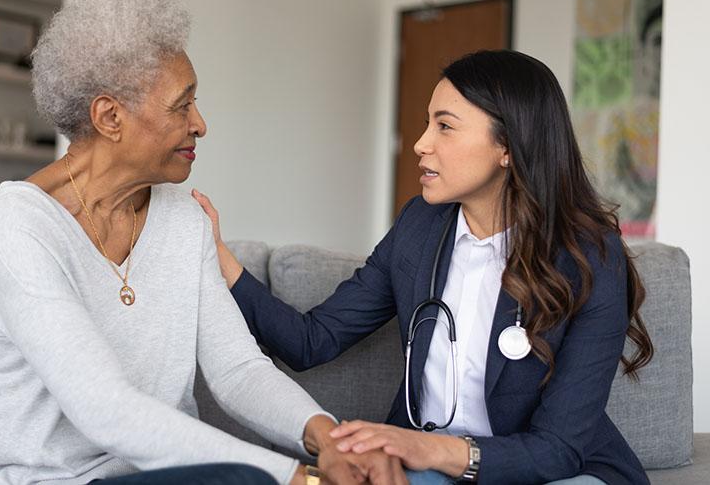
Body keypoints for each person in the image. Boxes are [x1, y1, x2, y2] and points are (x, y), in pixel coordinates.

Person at [0, 0, 406, 485]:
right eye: (182, 105)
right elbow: (104, 408)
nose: (201, 124)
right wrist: (300, 478)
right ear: (110, 118)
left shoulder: (182, 218)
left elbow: (238, 369)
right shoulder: (20, 223)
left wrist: (328, 438)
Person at [193, 50, 655, 484]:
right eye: (426, 124)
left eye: (445, 127)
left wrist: (432, 449)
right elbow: (312, 340)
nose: (420, 144)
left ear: (508, 147)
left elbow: (559, 448)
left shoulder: (587, 256)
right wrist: (222, 259)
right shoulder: (421, 225)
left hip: (560, 473)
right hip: (434, 470)